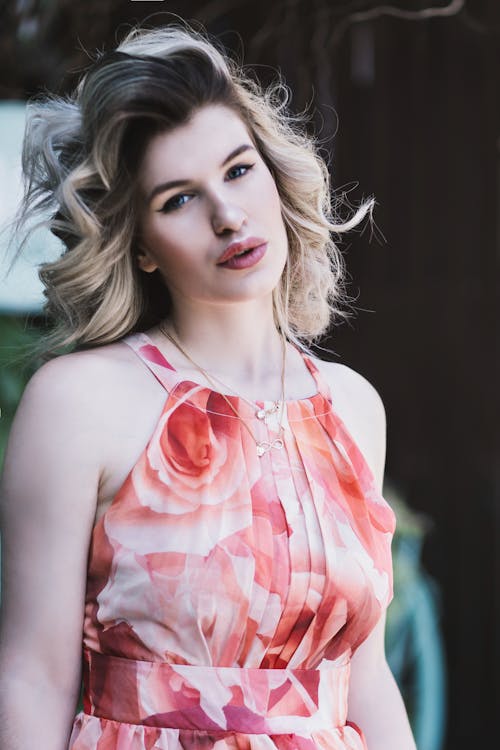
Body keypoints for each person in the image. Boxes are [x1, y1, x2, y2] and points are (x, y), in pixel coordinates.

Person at [0, 22, 417, 750]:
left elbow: (365, 675)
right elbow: (32, 676)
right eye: (177, 201)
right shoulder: (80, 402)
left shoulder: (353, 406)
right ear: (140, 246)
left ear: (274, 171)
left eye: (237, 170)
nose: (227, 216)